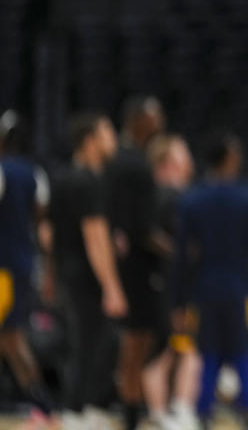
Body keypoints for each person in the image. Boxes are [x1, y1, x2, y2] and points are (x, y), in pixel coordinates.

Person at [177, 132, 248, 430]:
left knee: (209, 355)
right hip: (238, 288)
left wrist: (179, 301)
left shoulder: (192, 201)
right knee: (243, 352)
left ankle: (204, 413)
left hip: (204, 287)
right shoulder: (246, 199)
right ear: (229, 158)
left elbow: (183, 256)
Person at [48, 112, 127, 430]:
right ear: (90, 141)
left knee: (91, 341)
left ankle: (85, 407)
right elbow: (95, 238)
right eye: (108, 132)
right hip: (86, 276)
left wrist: (51, 275)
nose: (113, 139)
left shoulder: (65, 177)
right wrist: (111, 286)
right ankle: (74, 412)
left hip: (69, 271)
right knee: (88, 344)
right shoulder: (89, 181)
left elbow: (51, 234)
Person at [104, 95, 167, 430]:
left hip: (133, 264)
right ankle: (129, 414)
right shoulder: (134, 164)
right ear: (139, 119)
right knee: (135, 344)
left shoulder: (123, 159)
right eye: (154, 115)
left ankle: (133, 410)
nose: (160, 121)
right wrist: (174, 251)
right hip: (136, 268)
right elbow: (141, 228)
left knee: (140, 344)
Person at [0, 110, 57, 425]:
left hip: (3, 269)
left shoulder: (2, 172)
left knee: (12, 338)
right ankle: (41, 403)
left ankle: (42, 403)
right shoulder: (36, 174)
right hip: (24, 265)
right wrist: (48, 271)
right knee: (10, 337)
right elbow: (43, 230)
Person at [142, 134, 202, 430]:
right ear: (167, 163)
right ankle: (174, 408)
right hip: (170, 286)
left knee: (172, 348)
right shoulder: (170, 196)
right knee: (178, 348)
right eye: (182, 153)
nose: (188, 159)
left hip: (167, 284)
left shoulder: (167, 195)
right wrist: (181, 254)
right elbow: (151, 235)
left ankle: (165, 410)